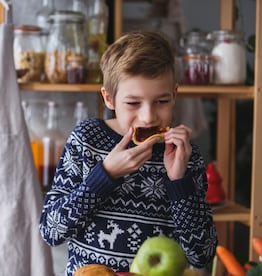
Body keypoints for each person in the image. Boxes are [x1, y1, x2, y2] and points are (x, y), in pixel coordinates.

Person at [39, 31, 217, 275]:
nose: (148, 116)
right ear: (109, 99)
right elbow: (51, 231)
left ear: (175, 95)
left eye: (161, 101)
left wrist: (179, 181)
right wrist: (105, 175)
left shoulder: (185, 154)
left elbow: (202, 254)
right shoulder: (86, 139)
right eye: (133, 103)